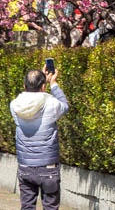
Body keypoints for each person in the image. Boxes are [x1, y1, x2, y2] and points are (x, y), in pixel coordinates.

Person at [10, 65, 70, 210]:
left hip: (25, 166)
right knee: (50, 207)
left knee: (27, 207)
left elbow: (30, 98)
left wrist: (39, 81)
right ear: (43, 87)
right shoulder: (51, 103)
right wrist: (53, 84)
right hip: (48, 167)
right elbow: (65, 106)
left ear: (24, 85)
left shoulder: (14, 105)